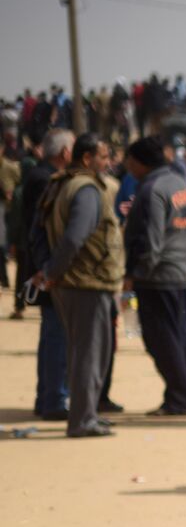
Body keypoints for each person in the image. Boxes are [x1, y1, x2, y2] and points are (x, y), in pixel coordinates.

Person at [34, 132, 124, 437]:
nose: (108, 162)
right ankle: (83, 420)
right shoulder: (86, 189)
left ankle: (85, 414)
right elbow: (75, 237)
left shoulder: (58, 183)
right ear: (87, 159)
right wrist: (54, 271)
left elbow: (39, 232)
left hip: (71, 282)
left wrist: (48, 270)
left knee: (81, 350)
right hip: (87, 282)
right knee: (90, 352)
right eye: (103, 157)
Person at [123, 136, 186, 417]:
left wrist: (135, 274)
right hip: (179, 270)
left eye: (130, 161)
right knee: (180, 335)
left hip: (157, 277)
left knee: (161, 339)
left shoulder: (151, 190)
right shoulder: (178, 182)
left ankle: (179, 399)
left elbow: (150, 239)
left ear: (140, 162)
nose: (127, 166)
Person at [20, 129, 73, 419]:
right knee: (57, 338)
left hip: (47, 267)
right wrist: (50, 267)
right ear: (65, 153)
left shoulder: (42, 176)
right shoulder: (46, 180)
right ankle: (54, 399)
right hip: (51, 270)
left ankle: (48, 397)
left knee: (53, 336)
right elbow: (44, 228)